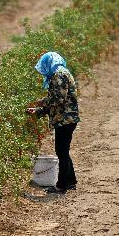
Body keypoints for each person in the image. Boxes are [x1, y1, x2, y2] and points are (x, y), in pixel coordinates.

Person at [27, 52, 80, 194]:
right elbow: (55, 101)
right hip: (66, 118)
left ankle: (61, 185)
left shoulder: (59, 74)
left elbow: (58, 99)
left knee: (61, 151)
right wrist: (38, 111)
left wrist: (41, 102)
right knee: (64, 151)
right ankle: (70, 181)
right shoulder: (60, 72)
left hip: (65, 119)